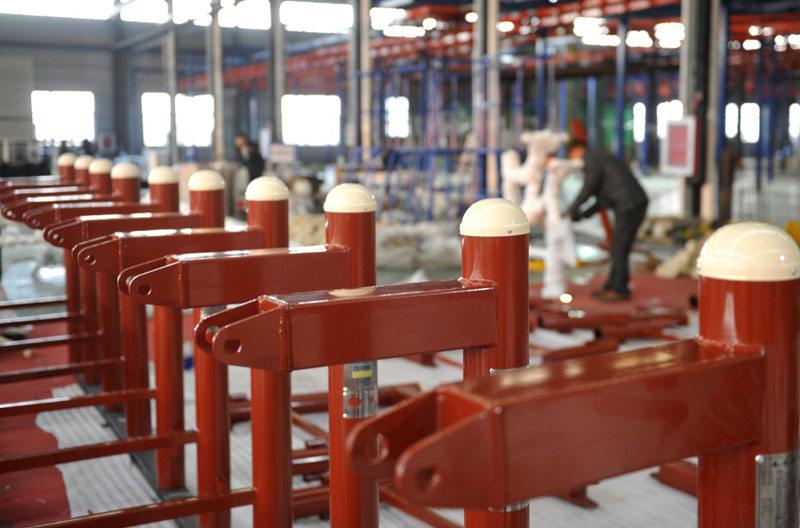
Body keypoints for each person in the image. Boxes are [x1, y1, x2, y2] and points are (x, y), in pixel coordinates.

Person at [565, 139, 649, 301]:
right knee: (618, 246)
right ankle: (612, 285)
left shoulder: (591, 159)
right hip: (630, 203)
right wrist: (585, 213)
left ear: (577, 149)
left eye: (571, 155)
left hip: (629, 204)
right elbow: (603, 196)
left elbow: (589, 187)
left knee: (620, 247)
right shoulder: (600, 157)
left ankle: (619, 289)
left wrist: (573, 209)